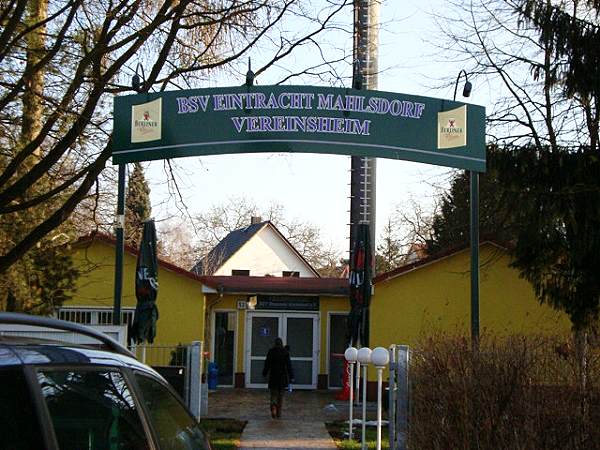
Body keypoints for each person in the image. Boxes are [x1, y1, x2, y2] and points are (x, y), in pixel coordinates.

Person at [262, 337, 294, 418]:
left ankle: (273, 406)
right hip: (282, 377)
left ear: (275, 343)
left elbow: (267, 364)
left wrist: (264, 373)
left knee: (273, 394)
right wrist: (291, 376)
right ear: (281, 343)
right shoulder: (285, 352)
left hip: (273, 377)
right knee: (280, 396)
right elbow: (289, 365)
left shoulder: (271, 352)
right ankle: (279, 414)